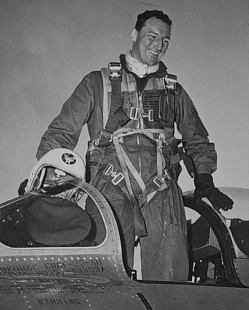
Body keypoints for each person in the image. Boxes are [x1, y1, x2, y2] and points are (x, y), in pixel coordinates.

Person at [36, 10, 233, 281]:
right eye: (152, 36)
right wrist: (46, 175)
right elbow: (62, 131)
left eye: (165, 40)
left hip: (161, 187)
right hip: (109, 185)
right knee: (105, 275)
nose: (158, 45)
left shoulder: (173, 91)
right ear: (134, 34)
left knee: (172, 278)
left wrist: (205, 179)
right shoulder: (97, 82)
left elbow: (197, 138)